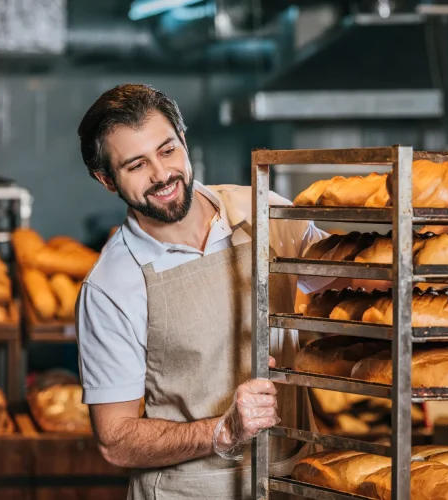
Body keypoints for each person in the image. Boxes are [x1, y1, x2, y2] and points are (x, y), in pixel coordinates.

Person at [75, 83, 334, 499]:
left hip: (292, 480)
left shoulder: (261, 213)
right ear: (107, 179)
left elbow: (355, 281)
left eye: (167, 150)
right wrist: (224, 430)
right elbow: (116, 439)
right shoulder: (111, 286)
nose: (162, 175)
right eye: (137, 165)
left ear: (183, 139)